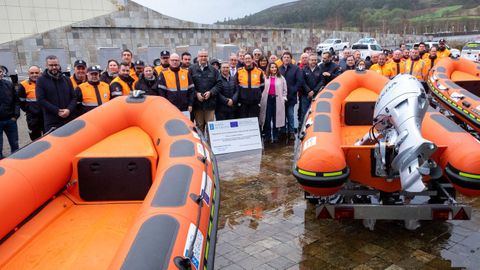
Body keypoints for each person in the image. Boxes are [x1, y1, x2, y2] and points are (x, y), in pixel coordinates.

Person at [36, 55, 77, 132]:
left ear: (59, 65)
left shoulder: (67, 80)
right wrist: (57, 111)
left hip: (69, 118)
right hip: (52, 121)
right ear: (46, 66)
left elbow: (74, 98)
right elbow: (41, 100)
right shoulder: (41, 80)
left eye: (56, 65)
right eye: (51, 65)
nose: (54, 67)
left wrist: (69, 109)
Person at [189, 49, 221, 132]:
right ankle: (202, 144)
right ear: (198, 57)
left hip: (210, 104)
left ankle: (209, 144)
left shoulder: (214, 70)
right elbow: (188, 85)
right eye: (201, 56)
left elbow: (219, 84)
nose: (203, 58)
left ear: (208, 57)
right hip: (197, 104)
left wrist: (211, 92)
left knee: (211, 127)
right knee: (199, 125)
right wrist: (196, 94)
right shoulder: (191, 69)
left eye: (205, 56)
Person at [260, 62, 287, 143]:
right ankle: (267, 136)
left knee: (276, 118)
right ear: (269, 68)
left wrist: (284, 98)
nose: (274, 69)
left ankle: (275, 136)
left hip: (277, 100)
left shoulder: (281, 78)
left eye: (275, 67)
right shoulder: (265, 77)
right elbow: (261, 89)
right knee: (267, 118)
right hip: (267, 100)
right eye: (272, 67)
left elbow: (285, 89)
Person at [279, 51, 303, 139]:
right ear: (282, 59)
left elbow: (299, 81)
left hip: (291, 96)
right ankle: (282, 131)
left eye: (288, 57)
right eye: (284, 57)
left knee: (290, 114)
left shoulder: (296, 68)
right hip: (281, 96)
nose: (286, 59)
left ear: (291, 59)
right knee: (281, 114)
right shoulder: (279, 69)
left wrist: (293, 90)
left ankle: (291, 131)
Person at [18, 65, 43, 140]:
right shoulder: (23, 85)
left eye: (36, 73)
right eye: (32, 73)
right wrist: (29, 110)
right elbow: (21, 102)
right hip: (33, 118)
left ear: (40, 73)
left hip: (45, 116)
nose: (34, 75)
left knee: (48, 136)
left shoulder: (44, 83)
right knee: (35, 139)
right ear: (28, 74)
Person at [236, 53, 264, 119]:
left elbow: (263, 86)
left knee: (254, 122)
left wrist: (258, 96)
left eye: (249, 58)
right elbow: (236, 86)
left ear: (252, 60)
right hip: (242, 103)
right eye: (246, 59)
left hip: (255, 103)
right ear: (244, 60)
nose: (247, 60)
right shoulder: (239, 71)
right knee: (243, 123)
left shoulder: (259, 72)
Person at [0, 66, 20, 158]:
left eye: (0, 71)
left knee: (15, 145)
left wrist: (15, 116)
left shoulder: (9, 84)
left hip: (10, 120)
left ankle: (16, 162)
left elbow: (16, 101)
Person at [301, 54, 323, 123]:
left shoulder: (320, 69)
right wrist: (308, 91)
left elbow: (322, 81)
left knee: (315, 111)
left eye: (315, 60)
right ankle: (303, 127)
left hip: (316, 95)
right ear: (308, 60)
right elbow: (302, 81)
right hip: (306, 95)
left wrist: (314, 91)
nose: (314, 61)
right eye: (312, 60)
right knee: (304, 111)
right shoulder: (304, 69)